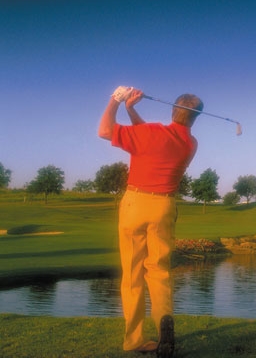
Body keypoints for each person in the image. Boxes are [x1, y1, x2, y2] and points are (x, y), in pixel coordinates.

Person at [98, 86, 203, 357]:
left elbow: (105, 131)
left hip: (135, 203)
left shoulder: (152, 132)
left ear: (173, 110)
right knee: (159, 271)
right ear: (194, 118)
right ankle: (164, 322)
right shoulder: (190, 144)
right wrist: (133, 110)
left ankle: (134, 339)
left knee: (132, 274)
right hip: (164, 206)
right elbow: (150, 138)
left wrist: (115, 100)